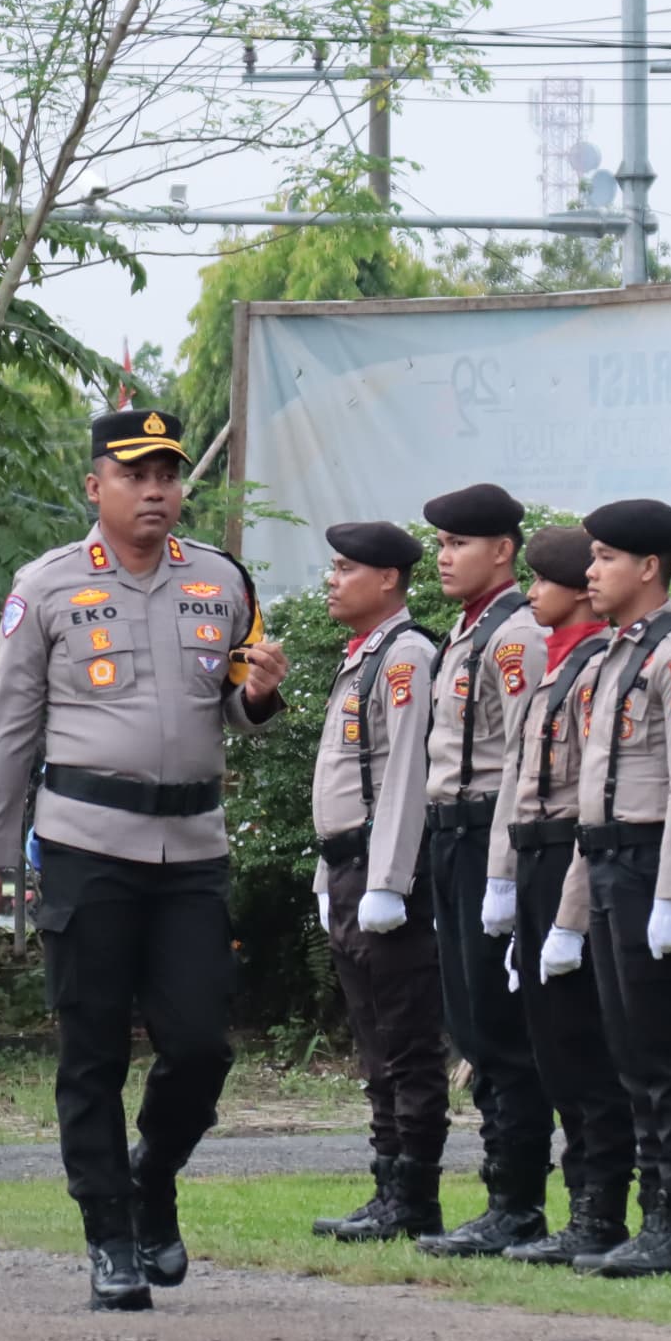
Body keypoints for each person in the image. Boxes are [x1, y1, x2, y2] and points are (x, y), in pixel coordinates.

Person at [0, 409, 289, 1309]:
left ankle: (154, 1175)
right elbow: (9, 732)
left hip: (192, 849)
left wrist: (259, 694)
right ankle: (110, 1234)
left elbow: (234, 705)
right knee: (93, 1047)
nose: (156, 491)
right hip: (85, 846)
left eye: (169, 475)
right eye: (136, 474)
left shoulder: (220, 582)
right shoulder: (49, 587)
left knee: (200, 1044)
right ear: (94, 486)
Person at [539, 499, 671, 1277]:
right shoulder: (616, 656)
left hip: (653, 866)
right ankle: (642, 1220)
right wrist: (569, 916)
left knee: (660, 1055)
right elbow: (593, 800)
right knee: (626, 1052)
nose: (591, 570)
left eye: (607, 556)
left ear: (649, 567)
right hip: (609, 863)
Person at [487, 525, 635, 1266]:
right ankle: (583, 1208)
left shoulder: (596, 666)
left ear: (578, 590)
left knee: (582, 1045)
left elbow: (588, 798)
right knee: (552, 1046)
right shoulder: (556, 667)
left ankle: (600, 1208)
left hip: (574, 861)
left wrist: (569, 916)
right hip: (538, 861)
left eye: (543, 580)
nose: (532, 592)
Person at [416, 485, 553, 1259]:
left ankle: (518, 1201)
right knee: (468, 1021)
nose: (444, 557)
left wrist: (504, 869)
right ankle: (505, 1195)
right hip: (450, 835)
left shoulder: (515, 637)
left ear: (502, 550)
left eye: (458, 545)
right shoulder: (468, 635)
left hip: (490, 837)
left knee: (500, 1030)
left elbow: (529, 758)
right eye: (439, 545)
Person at [302, 521, 448, 1243]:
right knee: (373, 1040)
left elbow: (404, 778)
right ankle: (388, 1184)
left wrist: (388, 878)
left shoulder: (406, 656)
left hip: (385, 871)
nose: (333, 580)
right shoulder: (364, 656)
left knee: (406, 1039)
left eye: (345, 568)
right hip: (350, 867)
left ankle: (414, 1194)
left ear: (387, 579)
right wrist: (331, 872)